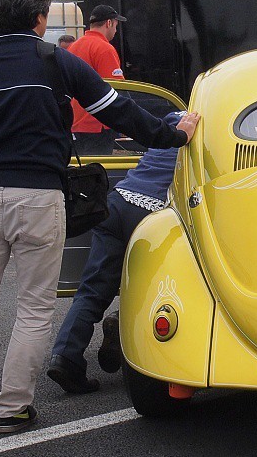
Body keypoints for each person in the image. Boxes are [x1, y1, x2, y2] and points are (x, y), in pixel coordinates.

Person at [0, 0, 199, 443]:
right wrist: (172, 135)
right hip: (38, 196)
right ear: (40, 17)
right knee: (34, 307)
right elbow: (118, 112)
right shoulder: (57, 61)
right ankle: (13, 407)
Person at [47, 124, 184, 393]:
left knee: (91, 290)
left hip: (118, 202)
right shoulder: (214, 125)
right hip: (153, 212)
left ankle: (65, 356)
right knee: (155, 289)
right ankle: (125, 335)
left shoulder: (173, 120)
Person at [69, 4, 127, 155]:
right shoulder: (104, 48)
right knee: (98, 167)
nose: (115, 30)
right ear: (109, 23)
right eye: (116, 25)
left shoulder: (74, 47)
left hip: (75, 122)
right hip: (98, 124)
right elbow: (116, 88)